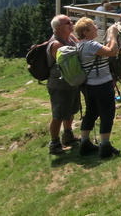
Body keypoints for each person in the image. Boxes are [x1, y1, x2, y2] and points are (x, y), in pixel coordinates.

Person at [73, 17, 120, 158]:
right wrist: (113, 34)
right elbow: (113, 51)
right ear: (86, 31)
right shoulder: (91, 45)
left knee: (91, 112)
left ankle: (85, 142)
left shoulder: (80, 45)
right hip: (102, 84)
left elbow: (104, 51)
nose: (96, 28)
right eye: (94, 26)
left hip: (89, 85)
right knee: (107, 113)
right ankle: (105, 146)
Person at [46, 15, 81, 155]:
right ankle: (54, 144)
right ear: (58, 28)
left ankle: (68, 135)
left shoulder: (70, 37)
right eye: (68, 23)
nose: (71, 24)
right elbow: (70, 60)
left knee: (71, 111)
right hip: (59, 85)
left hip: (71, 82)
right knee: (58, 114)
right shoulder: (56, 44)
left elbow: (79, 47)